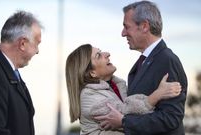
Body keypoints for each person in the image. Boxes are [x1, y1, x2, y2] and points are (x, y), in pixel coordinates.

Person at [94, 1, 188, 135]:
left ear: (144, 26)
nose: (123, 33)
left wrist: (124, 122)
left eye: (127, 27)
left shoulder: (167, 60)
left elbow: (171, 118)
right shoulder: (145, 62)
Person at [65, 44, 181, 135]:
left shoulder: (116, 86)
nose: (107, 54)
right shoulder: (88, 96)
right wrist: (158, 94)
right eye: (98, 55)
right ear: (92, 72)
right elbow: (124, 111)